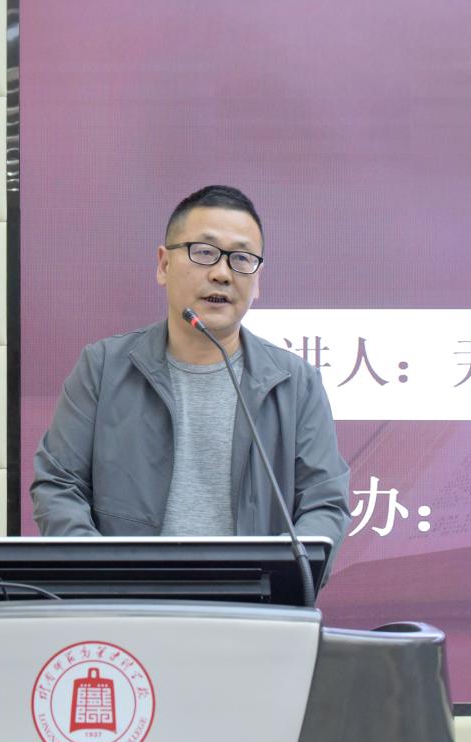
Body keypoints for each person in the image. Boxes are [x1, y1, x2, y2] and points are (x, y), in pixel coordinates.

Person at [31, 185, 350, 563]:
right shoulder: (103, 368)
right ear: (164, 265)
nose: (222, 274)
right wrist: (103, 575)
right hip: (127, 594)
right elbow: (59, 486)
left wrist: (283, 575)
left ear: (258, 280)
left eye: (241, 258)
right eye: (204, 252)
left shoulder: (296, 383)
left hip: (255, 595)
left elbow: (324, 504)